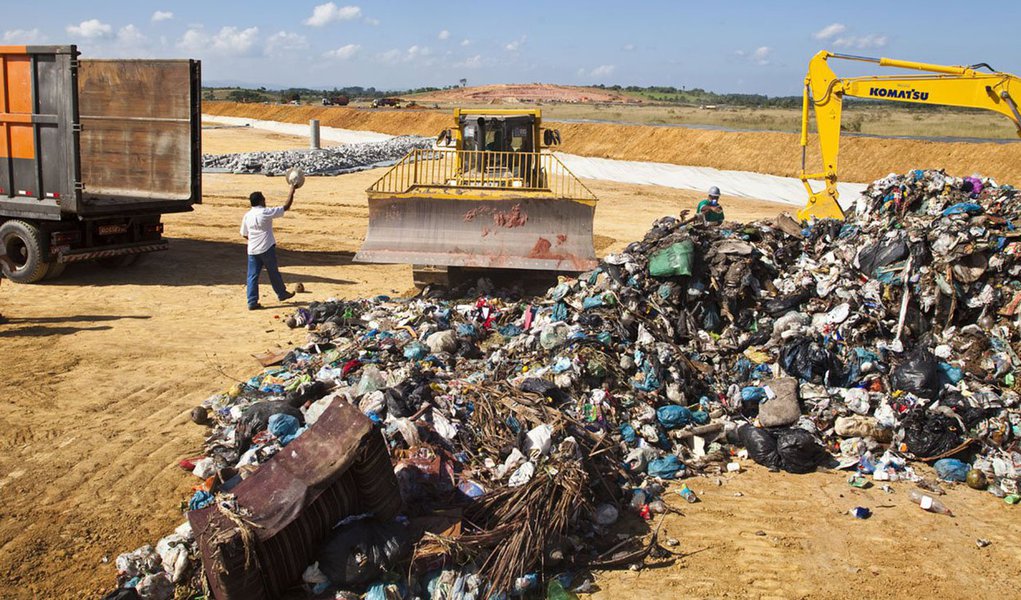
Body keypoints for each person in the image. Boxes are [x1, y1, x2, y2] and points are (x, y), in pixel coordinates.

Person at [241, 185, 298, 310]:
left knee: (252, 276)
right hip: (266, 248)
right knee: (273, 273)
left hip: (252, 250)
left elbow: (244, 234)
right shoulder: (265, 212)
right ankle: (281, 293)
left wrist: (254, 241)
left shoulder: (247, 216)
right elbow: (286, 207)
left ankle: (252, 301)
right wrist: (292, 190)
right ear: (261, 201)